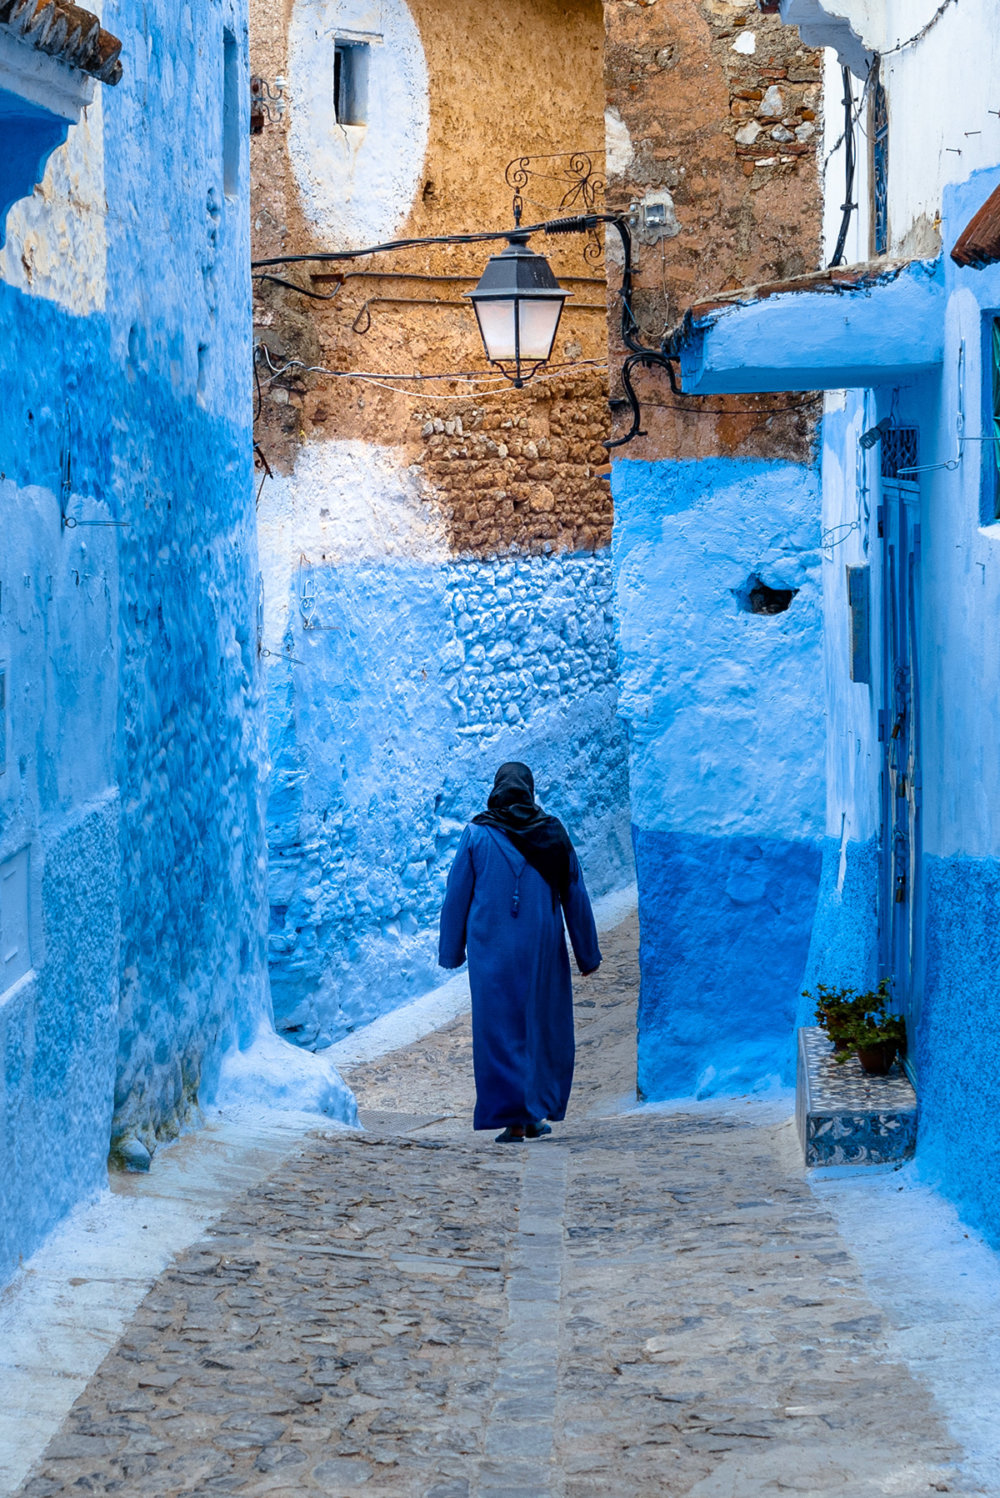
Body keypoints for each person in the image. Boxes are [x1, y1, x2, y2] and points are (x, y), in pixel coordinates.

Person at [438, 762, 601, 1143]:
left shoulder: (477, 834)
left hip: (491, 950)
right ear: (529, 790)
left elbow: (456, 896)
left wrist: (451, 951)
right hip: (541, 948)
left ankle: (514, 1119)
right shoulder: (551, 832)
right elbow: (574, 891)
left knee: (499, 1031)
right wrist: (587, 954)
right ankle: (533, 1113)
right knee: (541, 1026)